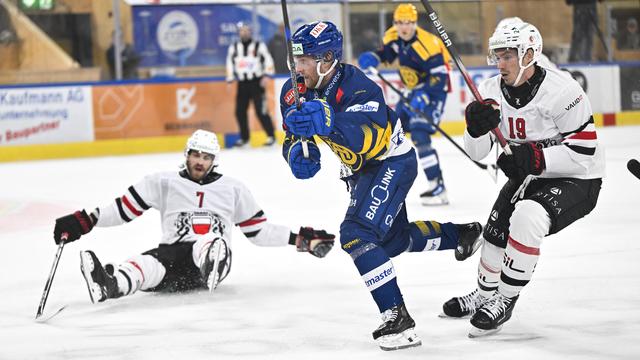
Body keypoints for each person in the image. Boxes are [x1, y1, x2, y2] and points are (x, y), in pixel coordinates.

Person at [279, 21, 483, 351]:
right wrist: (298, 153)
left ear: (327, 58)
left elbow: (367, 136)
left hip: (391, 162)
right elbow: (293, 134)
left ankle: (397, 317)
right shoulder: (294, 90)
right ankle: (462, 235)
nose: (296, 68)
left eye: (304, 60)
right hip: (360, 173)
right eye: (295, 60)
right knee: (392, 243)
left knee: (357, 234)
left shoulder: (359, 86)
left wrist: (329, 120)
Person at [441, 22, 604, 337]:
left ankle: (505, 298)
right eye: (496, 56)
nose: (499, 64)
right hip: (531, 174)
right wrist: (475, 129)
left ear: (529, 54)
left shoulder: (563, 91)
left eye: (507, 56)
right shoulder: (490, 91)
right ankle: (485, 295)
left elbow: (584, 153)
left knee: (528, 216)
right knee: (493, 234)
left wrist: (536, 158)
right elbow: (478, 153)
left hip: (577, 178)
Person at [52, 129, 335, 303]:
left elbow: (258, 231)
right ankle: (109, 286)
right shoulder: (163, 182)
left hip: (208, 265)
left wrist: (300, 239)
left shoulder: (233, 189)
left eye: (207, 157)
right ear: (186, 154)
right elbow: (124, 209)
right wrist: (84, 221)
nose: (200, 161)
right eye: (196, 155)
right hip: (171, 259)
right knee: (143, 264)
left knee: (208, 241)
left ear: (215, 160)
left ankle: (212, 260)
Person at [357, 3, 452, 206]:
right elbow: (388, 53)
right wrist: (375, 57)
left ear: (415, 23)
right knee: (391, 131)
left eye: (408, 22)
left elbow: (440, 78)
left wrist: (424, 96)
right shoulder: (393, 36)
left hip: (433, 93)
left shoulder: (430, 44)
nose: (403, 27)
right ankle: (386, 183)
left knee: (419, 135)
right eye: (399, 22)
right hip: (411, 91)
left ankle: (438, 186)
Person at [226, 22, 276, 147]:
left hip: (257, 83)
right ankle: (245, 139)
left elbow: (268, 60)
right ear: (239, 32)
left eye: (247, 30)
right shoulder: (234, 47)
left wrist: (266, 75)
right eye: (242, 30)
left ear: (250, 32)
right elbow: (229, 63)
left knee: (261, 110)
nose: (244, 32)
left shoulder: (259, 46)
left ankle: (271, 137)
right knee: (240, 111)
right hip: (242, 83)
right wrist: (230, 79)